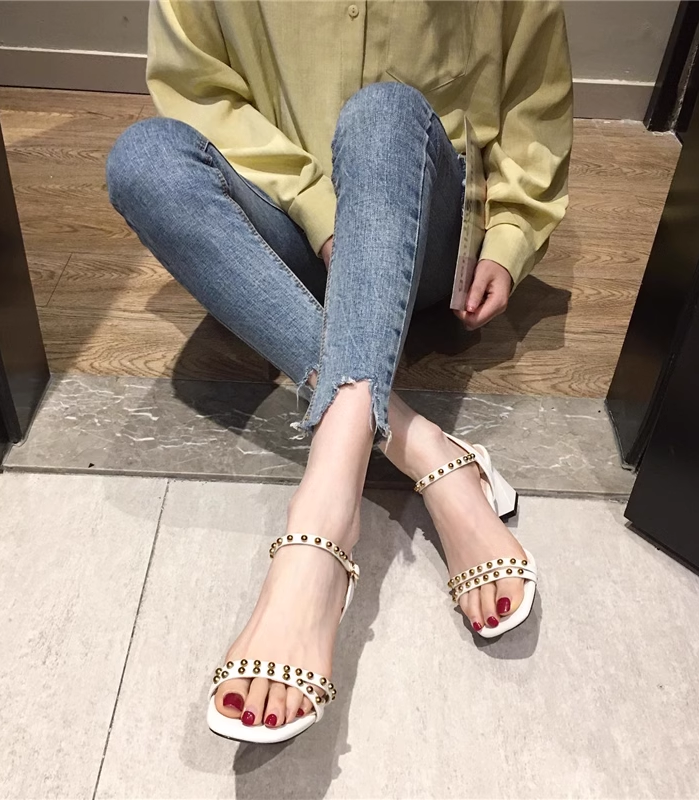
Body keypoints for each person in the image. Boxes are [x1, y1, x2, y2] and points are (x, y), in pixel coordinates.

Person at [107, 0, 572, 744]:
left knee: (383, 113)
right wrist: (320, 212)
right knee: (144, 161)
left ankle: (321, 521)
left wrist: (513, 230)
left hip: (421, 227)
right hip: (288, 225)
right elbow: (196, 87)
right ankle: (422, 448)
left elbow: (533, 91)